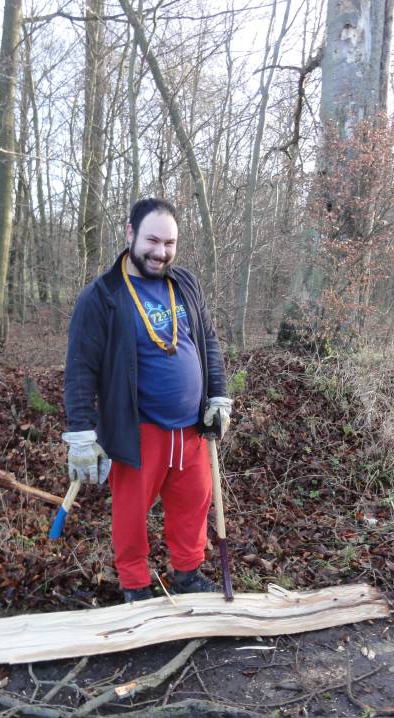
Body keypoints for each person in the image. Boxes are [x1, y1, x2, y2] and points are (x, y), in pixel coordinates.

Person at [63, 198, 232, 602]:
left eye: (169, 243)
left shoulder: (185, 283)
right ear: (130, 233)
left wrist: (218, 396)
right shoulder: (103, 295)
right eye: (152, 241)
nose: (161, 252)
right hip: (137, 429)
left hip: (191, 428)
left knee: (193, 503)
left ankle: (187, 574)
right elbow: (80, 368)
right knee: (130, 512)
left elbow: (207, 341)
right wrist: (81, 435)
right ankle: (135, 584)